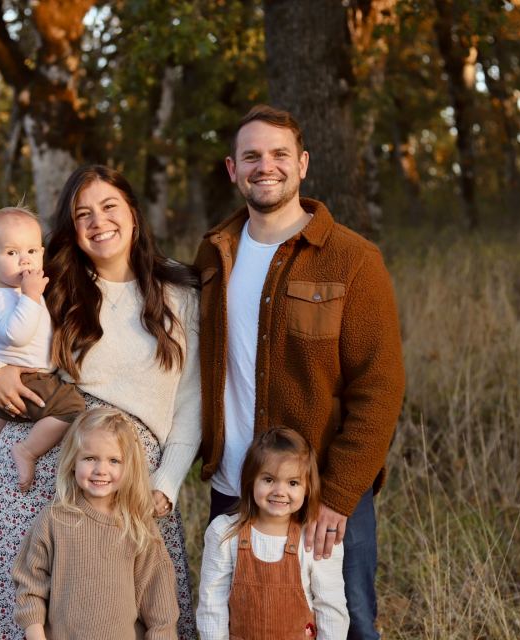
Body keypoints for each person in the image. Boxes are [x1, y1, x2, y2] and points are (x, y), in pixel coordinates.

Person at [0, 165, 201, 639]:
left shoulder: (179, 294)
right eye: (82, 213)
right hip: (42, 461)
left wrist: (168, 481)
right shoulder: (53, 279)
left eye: (109, 206)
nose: (98, 221)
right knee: (23, 604)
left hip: (128, 473)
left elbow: (192, 402)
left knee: (137, 609)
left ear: (133, 213)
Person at [194, 104, 405, 640]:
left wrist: (338, 493)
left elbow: (380, 387)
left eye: (279, 154)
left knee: (348, 623)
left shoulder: (353, 259)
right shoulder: (214, 254)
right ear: (232, 169)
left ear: (303, 163)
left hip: (322, 493)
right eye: (251, 156)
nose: (265, 166)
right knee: (240, 624)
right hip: (236, 488)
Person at [13, 407, 179, 639]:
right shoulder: (54, 519)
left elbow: (160, 605)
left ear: (128, 467)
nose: (101, 470)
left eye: (114, 460)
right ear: (73, 461)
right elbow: (30, 585)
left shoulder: (138, 527)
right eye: (90, 458)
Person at [197, 427, 348, 640]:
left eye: (293, 483)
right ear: (251, 480)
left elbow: (331, 608)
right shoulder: (224, 533)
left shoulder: (313, 539)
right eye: (268, 480)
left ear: (307, 488)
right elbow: (212, 603)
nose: (279, 491)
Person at [0, 206, 86, 489]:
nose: (25, 260)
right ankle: (27, 451)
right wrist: (31, 296)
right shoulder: (1, 297)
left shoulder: (3, 288)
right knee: (72, 407)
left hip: (9, 382)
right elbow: (16, 335)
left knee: (2, 410)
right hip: (29, 379)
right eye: (12, 253)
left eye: (32, 251)